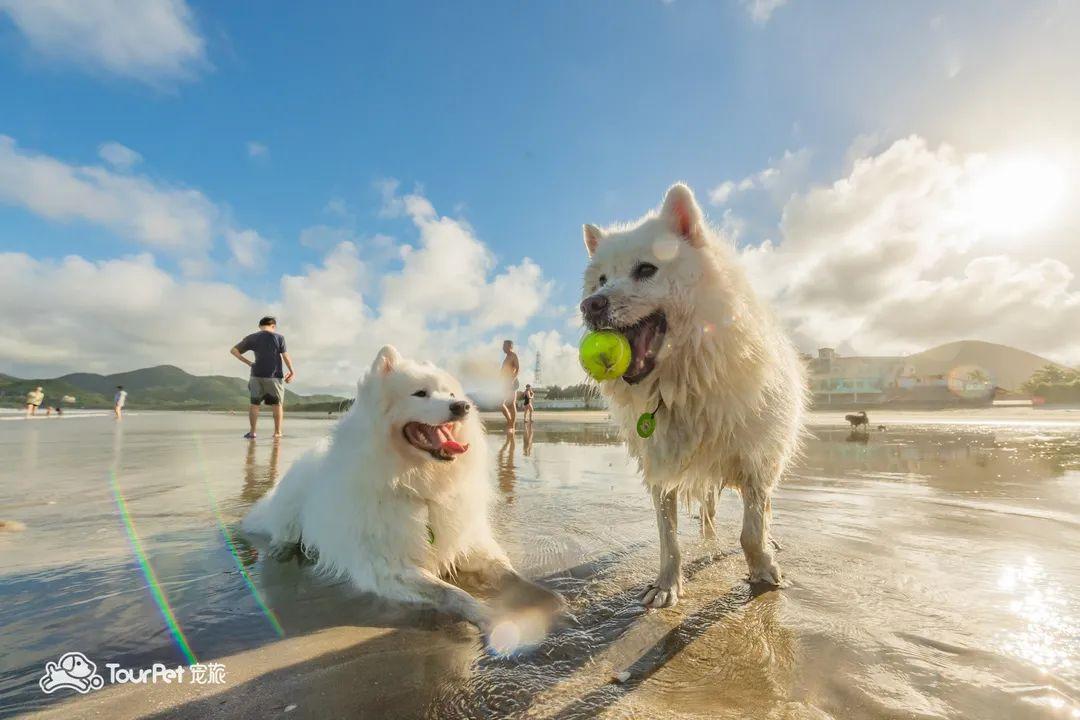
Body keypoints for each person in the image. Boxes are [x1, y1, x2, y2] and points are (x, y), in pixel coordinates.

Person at [231, 316, 295, 439]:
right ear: (273, 326)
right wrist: (292, 371)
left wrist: (249, 363)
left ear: (260, 326)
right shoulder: (279, 338)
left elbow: (233, 350)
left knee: (254, 404)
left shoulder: (252, 337)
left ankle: (252, 432)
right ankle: (277, 433)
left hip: (256, 375)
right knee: (277, 405)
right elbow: (285, 356)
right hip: (274, 376)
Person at [499, 339, 519, 432]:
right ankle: (510, 423)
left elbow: (518, 368)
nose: (503, 348)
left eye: (504, 346)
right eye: (503, 346)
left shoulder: (513, 356)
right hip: (504, 383)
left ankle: (512, 426)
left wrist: (512, 380)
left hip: (511, 382)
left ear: (510, 346)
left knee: (511, 404)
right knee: (501, 404)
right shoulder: (506, 357)